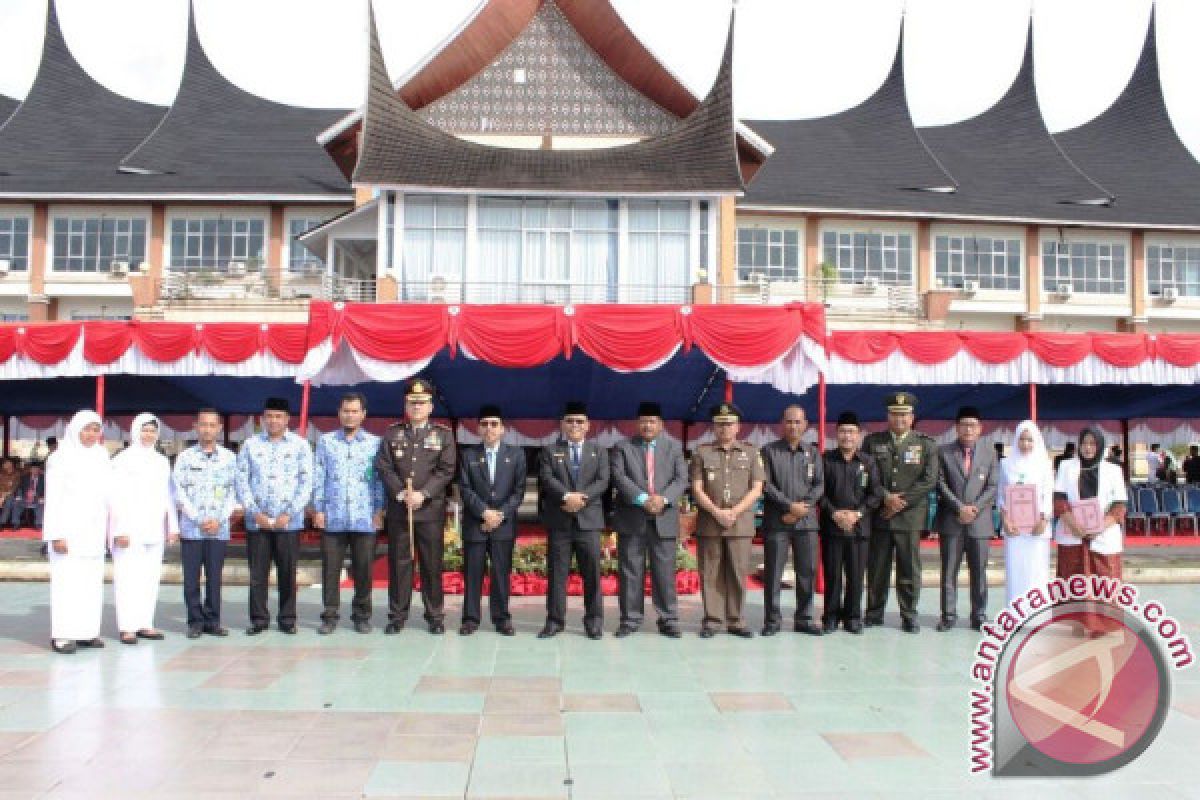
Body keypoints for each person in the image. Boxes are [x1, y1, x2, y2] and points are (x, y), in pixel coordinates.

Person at [376, 378, 457, 635]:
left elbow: (446, 470)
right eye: (413, 403)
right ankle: (397, 615)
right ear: (406, 405)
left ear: (431, 406)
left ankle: (435, 615)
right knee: (400, 564)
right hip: (401, 511)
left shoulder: (442, 435)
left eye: (422, 403)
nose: (417, 407)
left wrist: (423, 494)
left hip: (430, 511)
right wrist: (400, 492)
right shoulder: (393, 433)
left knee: (431, 564)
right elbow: (384, 467)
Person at [610, 401, 689, 639]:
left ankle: (668, 619)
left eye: (652, 421)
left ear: (661, 424)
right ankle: (630, 619)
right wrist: (643, 498)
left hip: (663, 518)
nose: (647, 425)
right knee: (630, 570)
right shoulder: (623, 447)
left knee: (664, 572)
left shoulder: (674, 449)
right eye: (643, 421)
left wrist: (663, 500)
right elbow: (619, 476)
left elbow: (681, 479)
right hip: (632, 517)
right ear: (637, 423)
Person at [235, 397, 313, 635]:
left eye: (278, 417)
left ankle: (287, 618)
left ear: (287, 419)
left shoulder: (300, 446)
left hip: (288, 523)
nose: (273, 421)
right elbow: (241, 480)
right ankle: (259, 619)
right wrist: (253, 511)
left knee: (287, 572)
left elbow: (306, 482)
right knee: (258, 574)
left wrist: (289, 513)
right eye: (269, 416)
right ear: (262, 419)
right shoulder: (250, 445)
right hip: (257, 522)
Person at [863, 391, 939, 633]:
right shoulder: (873, 442)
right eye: (895, 415)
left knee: (909, 569)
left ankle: (909, 614)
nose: (899, 420)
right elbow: (866, 475)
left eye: (904, 415)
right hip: (881, 516)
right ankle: (874, 613)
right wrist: (886, 497)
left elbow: (929, 480)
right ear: (887, 416)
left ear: (912, 417)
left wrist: (900, 501)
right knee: (877, 569)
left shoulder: (926, 444)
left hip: (909, 517)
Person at [690, 402, 765, 639]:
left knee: (737, 571)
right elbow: (697, 488)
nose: (724, 429)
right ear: (714, 427)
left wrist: (734, 511)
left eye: (729, 424)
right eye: (720, 425)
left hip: (740, 523)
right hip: (710, 523)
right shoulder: (702, 452)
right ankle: (712, 620)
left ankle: (736, 620)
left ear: (738, 427)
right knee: (710, 572)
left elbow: (757, 488)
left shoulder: (751, 452)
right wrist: (717, 512)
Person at [537, 401, 610, 639]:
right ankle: (555, 620)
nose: (575, 425)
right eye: (570, 421)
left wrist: (582, 499)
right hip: (561, 521)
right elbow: (547, 479)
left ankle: (594, 621)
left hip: (588, 521)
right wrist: (568, 496)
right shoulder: (550, 451)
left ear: (588, 426)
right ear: (562, 425)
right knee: (557, 574)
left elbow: (603, 480)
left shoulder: (599, 451)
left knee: (592, 575)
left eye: (580, 421)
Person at [314, 393, 384, 635]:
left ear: (364, 414)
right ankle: (330, 615)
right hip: (333, 516)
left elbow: (379, 481)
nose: (350, 415)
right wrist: (318, 508)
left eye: (355, 411)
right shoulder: (326, 442)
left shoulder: (375, 443)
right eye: (346, 410)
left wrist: (378, 510)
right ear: (339, 412)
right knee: (331, 569)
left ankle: (362, 615)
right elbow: (319, 476)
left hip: (364, 516)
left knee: (364, 569)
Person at [43, 411, 111, 654]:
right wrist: (56, 534)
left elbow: (107, 495)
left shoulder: (102, 456)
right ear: (75, 429)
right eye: (87, 429)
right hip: (68, 530)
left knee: (91, 583)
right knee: (67, 583)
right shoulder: (60, 458)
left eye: (96, 429)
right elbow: (53, 498)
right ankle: (62, 635)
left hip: (93, 530)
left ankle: (87, 632)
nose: (92, 434)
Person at [110, 414, 180, 644]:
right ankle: (127, 626)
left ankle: (144, 623)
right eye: (144, 430)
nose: (148, 435)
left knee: (150, 577)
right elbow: (115, 496)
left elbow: (168, 495)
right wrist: (118, 529)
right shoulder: (123, 460)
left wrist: (173, 526)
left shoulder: (160, 461)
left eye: (152, 430)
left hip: (154, 527)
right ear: (135, 431)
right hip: (129, 528)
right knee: (128, 576)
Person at [457, 404, 526, 636]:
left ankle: (501, 618)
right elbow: (465, 489)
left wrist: (499, 515)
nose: (489, 429)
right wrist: (484, 512)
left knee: (500, 573)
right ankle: (470, 619)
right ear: (478, 429)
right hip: (475, 524)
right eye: (485, 425)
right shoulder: (468, 455)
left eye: (494, 424)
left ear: (503, 429)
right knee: (473, 573)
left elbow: (519, 491)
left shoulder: (516, 455)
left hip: (503, 525)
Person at [760, 405, 825, 636]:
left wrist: (801, 509)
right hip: (778, 522)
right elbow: (765, 485)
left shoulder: (813, 453)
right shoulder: (768, 451)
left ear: (806, 424)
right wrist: (789, 507)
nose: (793, 426)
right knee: (774, 573)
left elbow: (819, 485)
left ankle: (805, 618)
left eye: (798, 422)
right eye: (789, 421)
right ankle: (772, 620)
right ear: (782, 423)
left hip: (806, 524)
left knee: (806, 572)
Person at [173, 408, 237, 638]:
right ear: (195, 426)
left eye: (212, 425)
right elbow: (179, 493)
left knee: (214, 578)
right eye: (203, 424)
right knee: (191, 579)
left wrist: (219, 519)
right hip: (192, 529)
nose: (207, 429)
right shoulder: (185, 458)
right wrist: (199, 519)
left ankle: (212, 620)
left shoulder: (230, 459)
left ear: (219, 428)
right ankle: (195, 621)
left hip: (218, 529)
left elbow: (234, 493)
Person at [934, 406, 998, 632]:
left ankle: (978, 615)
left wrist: (975, 508)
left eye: (973, 425)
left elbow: (992, 486)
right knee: (949, 571)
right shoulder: (943, 452)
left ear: (980, 429)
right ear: (957, 427)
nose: (968, 429)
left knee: (979, 572)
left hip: (979, 524)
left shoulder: (989, 452)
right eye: (964, 425)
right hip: (952, 521)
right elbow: (939, 483)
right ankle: (948, 615)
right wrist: (959, 507)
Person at [819, 412, 882, 634]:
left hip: (859, 529)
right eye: (843, 431)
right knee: (833, 575)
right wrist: (835, 513)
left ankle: (853, 617)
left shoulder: (868, 462)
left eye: (852, 432)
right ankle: (831, 616)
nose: (847, 436)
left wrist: (857, 514)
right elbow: (820, 493)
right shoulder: (826, 459)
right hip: (832, 528)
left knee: (856, 576)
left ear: (858, 435)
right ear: (836, 434)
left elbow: (875, 495)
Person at [1054, 428, 1128, 582]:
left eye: (1092, 444)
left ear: (1100, 446)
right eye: (1084, 443)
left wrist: (1099, 527)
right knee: (1072, 586)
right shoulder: (1066, 467)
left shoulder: (1114, 470)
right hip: (1073, 535)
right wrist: (1073, 525)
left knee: (1105, 586)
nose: (1087, 448)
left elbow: (1119, 506)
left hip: (1103, 535)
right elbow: (1059, 500)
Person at [997, 421, 1054, 604]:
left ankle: (1037, 616)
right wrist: (1005, 520)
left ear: (1036, 441)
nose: (1025, 444)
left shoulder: (1045, 464)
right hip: (1014, 529)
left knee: (1036, 570)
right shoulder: (1006, 464)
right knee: (1016, 570)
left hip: (1037, 528)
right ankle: (1015, 614)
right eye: (1022, 439)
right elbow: (1001, 496)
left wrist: (1044, 519)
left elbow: (1048, 494)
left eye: (1030, 440)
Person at [12, 461, 45, 529]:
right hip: (25, 497)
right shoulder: (25, 477)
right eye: (33, 469)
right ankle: (16, 523)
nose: (34, 470)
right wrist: (18, 496)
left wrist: (42, 497)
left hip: (37, 497)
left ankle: (39, 524)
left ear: (39, 470)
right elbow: (19, 487)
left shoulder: (43, 478)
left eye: (36, 469)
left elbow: (47, 489)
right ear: (30, 469)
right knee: (16, 503)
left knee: (41, 504)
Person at [0, 458, 17, 528]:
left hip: (10, 494)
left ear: (11, 464)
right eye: (5, 464)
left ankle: (1, 522)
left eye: (8, 463)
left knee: (9, 502)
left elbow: (14, 487)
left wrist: (4, 496)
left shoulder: (16, 474)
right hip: (1, 493)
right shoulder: (1, 473)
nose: (5, 465)